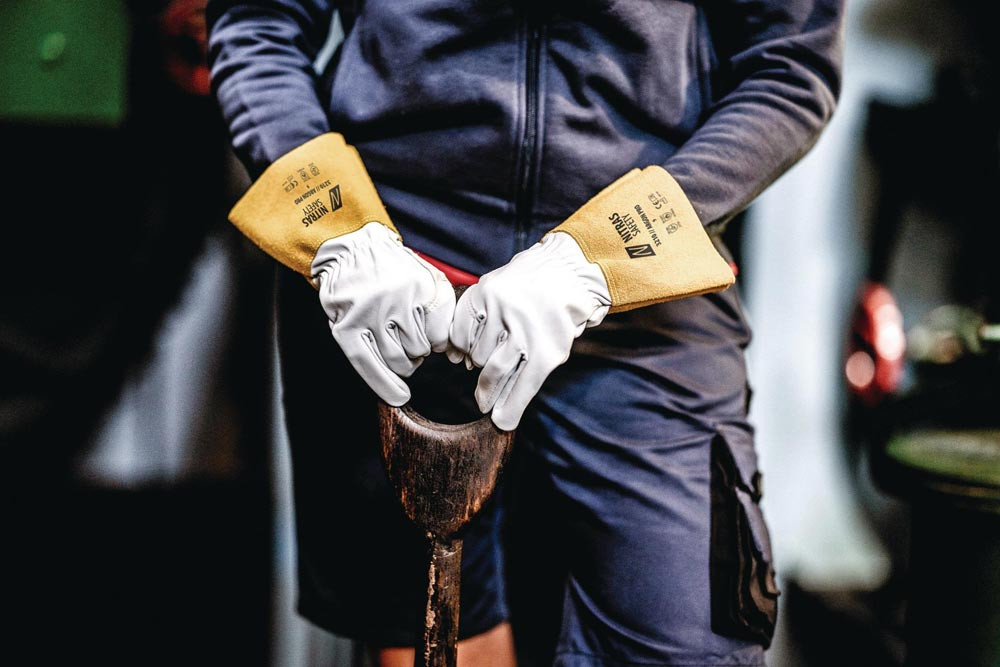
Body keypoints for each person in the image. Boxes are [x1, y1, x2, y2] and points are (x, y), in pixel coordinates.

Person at [207, 1, 844, 665]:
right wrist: (335, 228)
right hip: (393, 291)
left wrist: (599, 257)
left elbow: (789, 66)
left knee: (682, 641)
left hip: (643, 292)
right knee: (435, 638)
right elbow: (258, 22)